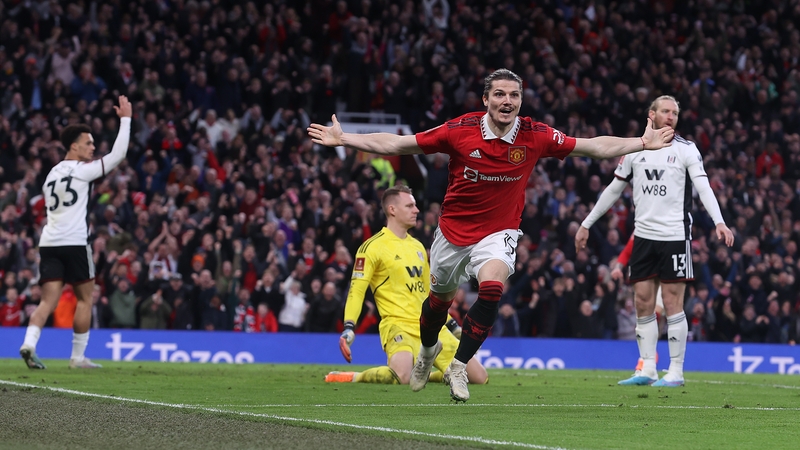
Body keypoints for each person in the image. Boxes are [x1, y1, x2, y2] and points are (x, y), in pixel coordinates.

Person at [309, 68, 674, 401]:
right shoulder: (459, 130)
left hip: (499, 232)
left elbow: (593, 147)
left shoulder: (535, 135)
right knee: (437, 304)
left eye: (514, 95)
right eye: (499, 94)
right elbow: (398, 144)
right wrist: (346, 140)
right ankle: (426, 352)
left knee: (492, 288)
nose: (507, 101)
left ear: (520, 100)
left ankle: (457, 366)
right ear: (486, 99)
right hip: (452, 233)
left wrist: (641, 143)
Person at [576, 95, 734, 387]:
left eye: (675, 112)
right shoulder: (636, 150)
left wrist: (719, 221)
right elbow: (613, 190)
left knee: (673, 303)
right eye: (665, 111)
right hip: (643, 237)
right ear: (652, 114)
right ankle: (647, 368)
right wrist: (587, 223)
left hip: (675, 236)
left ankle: (675, 372)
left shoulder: (687, 150)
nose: (671, 116)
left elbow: (703, 186)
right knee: (643, 302)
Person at [324, 185, 488, 386]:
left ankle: (432, 376)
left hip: (430, 326)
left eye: (415, 206)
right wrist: (349, 326)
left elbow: (432, 296)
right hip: (397, 325)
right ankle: (351, 376)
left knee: (478, 378)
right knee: (401, 376)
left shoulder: (417, 246)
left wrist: (452, 325)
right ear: (392, 210)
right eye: (410, 205)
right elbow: (357, 290)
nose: (416, 210)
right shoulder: (372, 247)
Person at [19, 95, 132, 369]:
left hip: (49, 242)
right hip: (75, 242)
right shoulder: (82, 171)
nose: (93, 147)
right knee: (85, 299)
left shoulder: (51, 175)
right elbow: (118, 156)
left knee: (47, 301)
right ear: (74, 147)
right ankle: (77, 358)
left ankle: (29, 344)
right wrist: (126, 119)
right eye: (88, 143)